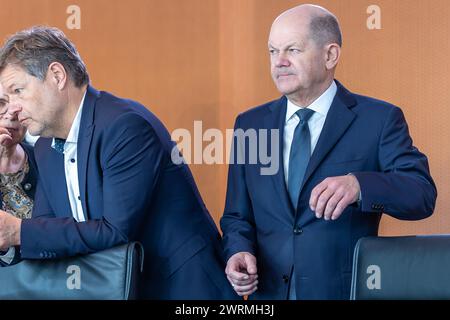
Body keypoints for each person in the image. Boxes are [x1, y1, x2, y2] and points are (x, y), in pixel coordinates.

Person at [0, 26, 237, 299]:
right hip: (119, 288)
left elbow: (115, 231)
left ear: (56, 75)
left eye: (18, 90)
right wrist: (14, 238)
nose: (13, 108)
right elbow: (47, 226)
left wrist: (19, 232)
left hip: (182, 287)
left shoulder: (124, 126)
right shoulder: (43, 146)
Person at [220, 4, 437, 300]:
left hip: (341, 293)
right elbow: (236, 216)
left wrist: (360, 185)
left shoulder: (378, 119)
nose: (279, 62)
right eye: (272, 51)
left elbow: (421, 194)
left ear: (330, 55)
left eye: (292, 50)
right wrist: (238, 251)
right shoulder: (250, 125)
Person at [0, 87, 37, 266]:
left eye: (18, 105)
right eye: (0, 104)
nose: (11, 115)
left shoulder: (46, 157)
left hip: (49, 282)